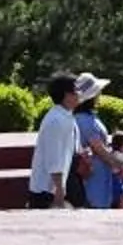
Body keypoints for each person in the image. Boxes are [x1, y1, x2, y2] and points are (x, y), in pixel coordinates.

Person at [72, 73, 123, 210]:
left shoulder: (88, 117)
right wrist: (118, 165)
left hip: (102, 173)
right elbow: (99, 149)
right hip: (95, 174)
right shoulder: (84, 120)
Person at [26, 71, 81, 207]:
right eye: (76, 91)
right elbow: (54, 157)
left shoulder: (66, 116)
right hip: (45, 190)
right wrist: (59, 189)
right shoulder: (56, 120)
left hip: (54, 187)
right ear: (66, 95)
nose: (79, 95)